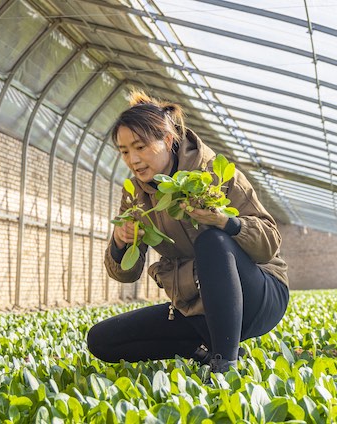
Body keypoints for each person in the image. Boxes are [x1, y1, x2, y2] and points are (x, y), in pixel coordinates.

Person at [87, 91, 289, 373]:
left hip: (258, 297)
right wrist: (120, 243)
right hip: (196, 305)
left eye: (140, 147)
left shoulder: (215, 174)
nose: (133, 159)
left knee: (212, 241)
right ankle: (202, 349)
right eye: (124, 151)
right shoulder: (136, 194)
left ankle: (225, 363)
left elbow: (269, 242)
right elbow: (126, 273)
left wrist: (224, 222)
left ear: (167, 140)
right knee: (102, 340)